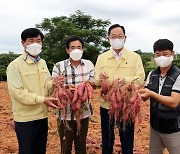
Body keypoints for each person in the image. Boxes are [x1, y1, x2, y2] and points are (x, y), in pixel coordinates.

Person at [94, 24, 145, 154]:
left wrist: (125, 80)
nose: (117, 39)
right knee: (107, 139)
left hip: (127, 105)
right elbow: (96, 81)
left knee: (127, 140)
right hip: (107, 106)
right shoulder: (102, 57)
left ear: (125, 38)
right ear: (108, 39)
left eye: (120, 36)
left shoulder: (135, 57)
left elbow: (140, 78)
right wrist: (104, 79)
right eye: (113, 36)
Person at [6, 28, 58, 154]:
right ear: (23, 43)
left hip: (42, 116)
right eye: (31, 41)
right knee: (27, 151)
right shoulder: (15, 65)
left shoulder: (42, 63)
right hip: (26, 119)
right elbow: (18, 92)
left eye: (38, 41)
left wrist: (56, 84)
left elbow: (46, 84)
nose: (35, 44)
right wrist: (42, 100)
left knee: (40, 150)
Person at [52, 35, 95, 154]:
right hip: (64, 111)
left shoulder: (89, 64)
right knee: (65, 146)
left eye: (79, 47)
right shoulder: (59, 66)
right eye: (72, 47)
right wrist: (64, 88)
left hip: (83, 111)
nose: (76, 50)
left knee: (81, 145)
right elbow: (53, 86)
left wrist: (86, 85)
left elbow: (94, 83)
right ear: (67, 50)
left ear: (83, 49)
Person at [140, 39, 180, 154]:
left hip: (173, 128)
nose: (161, 57)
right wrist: (133, 92)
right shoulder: (152, 74)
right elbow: (145, 96)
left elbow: (174, 102)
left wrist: (152, 94)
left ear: (172, 54)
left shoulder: (178, 75)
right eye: (158, 54)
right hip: (155, 127)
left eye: (165, 54)